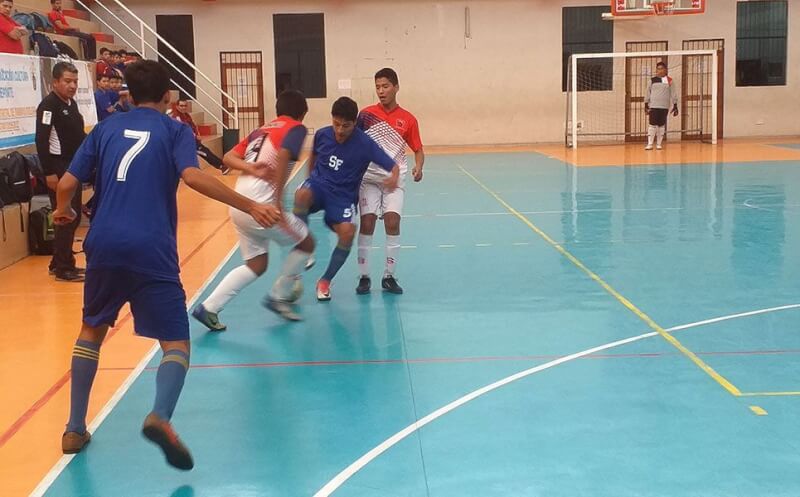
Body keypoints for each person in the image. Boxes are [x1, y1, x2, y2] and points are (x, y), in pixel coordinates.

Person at [54, 59, 280, 469]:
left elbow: (68, 183)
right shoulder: (175, 129)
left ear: (129, 93)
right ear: (166, 96)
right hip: (151, 247)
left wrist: (62, 211)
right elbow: (192, 177)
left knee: (91, 331)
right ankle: (159, 415)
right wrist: (250, 204)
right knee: (175, 343)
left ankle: (73, 427)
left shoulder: (104, 129)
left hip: (103, 244)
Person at [193, 90, 315, 326]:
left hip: (239, 203)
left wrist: (250, 168)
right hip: (261, 205)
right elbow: (284, 154)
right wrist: (278, 199)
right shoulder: (296, 128)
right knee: (307, 243)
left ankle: (209, 307)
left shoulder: (261, 129)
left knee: (257, 264)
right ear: (302, 114)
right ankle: (279, 296)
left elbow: (227, 157)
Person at [293, 96, 400, 301]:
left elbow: (392, 166)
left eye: (346, 126)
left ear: (354, 124)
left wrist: (394, 177)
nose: (340, 130)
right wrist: (310, 181)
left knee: (348, 232)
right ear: (331, 119)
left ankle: (325, 280)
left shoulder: (365, 144)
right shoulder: (322, 135)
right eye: (336, 124)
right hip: (319, 185)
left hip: (343, 197)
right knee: (301, 194)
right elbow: (313, 157)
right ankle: (305, 245)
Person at [356, 68, 424, 295]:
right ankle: (364, 276)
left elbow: (418, 149)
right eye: (377, 87)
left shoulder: (408, 119)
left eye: (385, 86)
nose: (381, 91)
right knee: (367, 223)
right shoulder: (365, 115)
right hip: (369, 178)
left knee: (392, 223)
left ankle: (389, 276)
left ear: (396, 86)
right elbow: (353, 143)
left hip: (395, 179)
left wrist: (419, 167)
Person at [36, 62, 86, 282]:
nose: (72, 85)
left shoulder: (71, 103)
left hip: (73, 165)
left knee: (72, 216)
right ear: (55, 82)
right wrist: (48, 172)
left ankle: (58, 261)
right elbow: (41, 139)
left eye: (75, 81)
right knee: (66, 215)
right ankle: (65, 268)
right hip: (58, 166)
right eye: (67, 81)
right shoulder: (48, 106)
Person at [168, 99, 229, 174]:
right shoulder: (176, 117)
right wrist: (194, 136)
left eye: (185, 106)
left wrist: (197, 135)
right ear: (177, 106)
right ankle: (221, 166)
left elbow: (192, 126)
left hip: (191, 140)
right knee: (205, 153)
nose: (183, 107)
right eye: (181, 106)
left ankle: (221, 166)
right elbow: (183, 130)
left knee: (203, 152)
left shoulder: (186, 115)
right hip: (185, 142)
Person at [644, 61, 679, 151]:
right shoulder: (652, 80)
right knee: (652, 125)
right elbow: (647, 92)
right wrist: (646, 104)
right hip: (654, 106)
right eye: (658, 69)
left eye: (662, 69)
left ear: (665, 70)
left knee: (661, 125)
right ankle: (650, 144)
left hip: (664, 106)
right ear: (656, 70)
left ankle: (659, 144)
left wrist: (675, 105)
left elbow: (673, 93)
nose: (660, 71)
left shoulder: (669, 80)